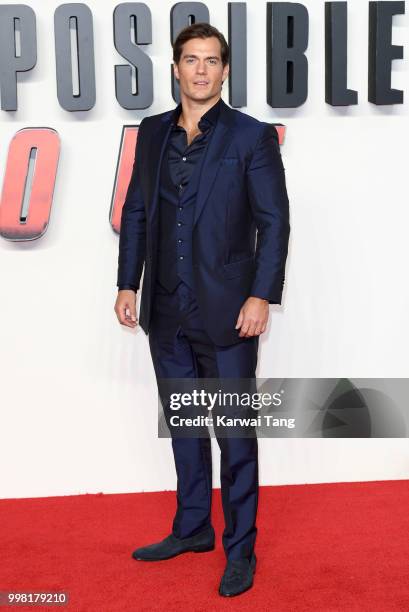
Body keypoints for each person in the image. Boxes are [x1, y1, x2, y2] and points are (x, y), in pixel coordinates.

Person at [114, 22, 290, 597]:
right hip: (166, 310)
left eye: (212, 61)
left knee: (235, 436)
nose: (201, 70)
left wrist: (261, 295)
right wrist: (127, 284)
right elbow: (138, 214)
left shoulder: (251, 137)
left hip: (230, 313)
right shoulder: (153, 132)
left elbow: (274, 221)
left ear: (225, 70)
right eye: (191, 60)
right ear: (175, 67)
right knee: (187, 428)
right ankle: (193, 529)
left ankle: (241, 550)